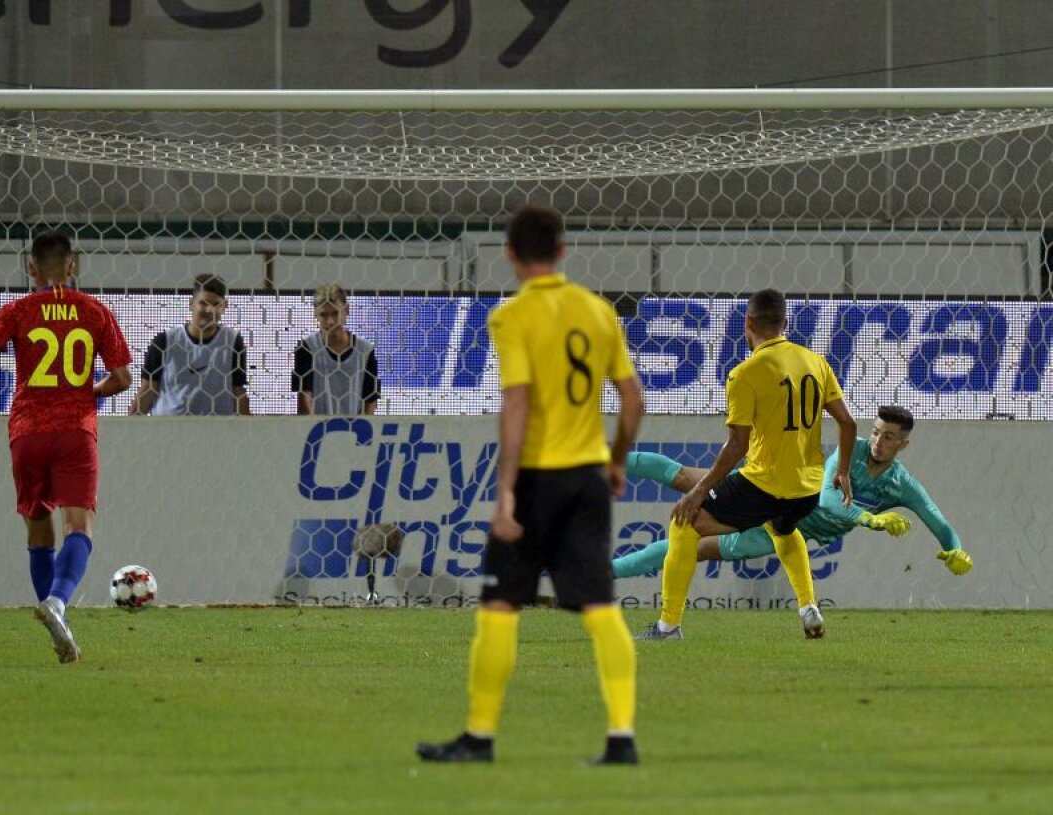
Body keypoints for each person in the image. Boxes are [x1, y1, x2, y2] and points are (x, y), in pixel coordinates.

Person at [416, 205, 645, 766]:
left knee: (499, 604)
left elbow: (517, 401)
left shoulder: (511, 317)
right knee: (600, 607)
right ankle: (621, 737)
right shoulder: (598, 312)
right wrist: (615, 462)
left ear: (511, 256)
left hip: (539, 478)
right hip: (589, 476)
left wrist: (505, 493)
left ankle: (479, 736)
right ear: (563, 251)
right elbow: (634, 400)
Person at [614, 405, 973, 637]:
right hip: (772, 495)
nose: (878, 441)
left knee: (694, 548)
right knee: (684, 481)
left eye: (889, 437)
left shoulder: (901, 484)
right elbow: (829, 499)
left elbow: (936, 519)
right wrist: (868, 519)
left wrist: (954, 549)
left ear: (903, 445)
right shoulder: (852, 451)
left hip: (778, 530)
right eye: (877, 431)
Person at [647, 288, 858, 642]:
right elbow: (848, 424)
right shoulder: (815, 362)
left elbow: (737, 446)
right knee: (784, 530)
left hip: (764, 484)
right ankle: (809, 608)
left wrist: (698, 492)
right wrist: (843, 471)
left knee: (685, 522)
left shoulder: (745, 373)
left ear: (748, 323)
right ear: (785, 323)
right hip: (807, 488)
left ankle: (668, 627)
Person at [0, 232, 132, 663]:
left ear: (31, 269)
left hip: (27, 432)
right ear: (71, 267)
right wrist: (92, 390)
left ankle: (59, 622)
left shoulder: (17, 311)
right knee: (79, 527)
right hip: (74, 429)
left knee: (39, 531)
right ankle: (58, 602)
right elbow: (124, 378)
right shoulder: (94, 311)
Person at [128, 274, 249, 416]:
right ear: (191, 304)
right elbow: (147, 390)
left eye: (216, 304)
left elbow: (238, 390)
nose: (209, 310)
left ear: (224, 307)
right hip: (169, 429)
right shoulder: (165, 341)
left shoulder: (232, 341)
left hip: (216, 430)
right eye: (203, 303)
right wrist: (127, 428)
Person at [292, 284, 380, 415]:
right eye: (323, 315)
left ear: (346, 311)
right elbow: (304, 395)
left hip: (355, 428)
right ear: (315, 315)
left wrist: (362, 429)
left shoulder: (365, 350)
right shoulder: (306, 348)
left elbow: (370, 399)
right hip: (318, 429)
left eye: (335, 313)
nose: (330, 321)